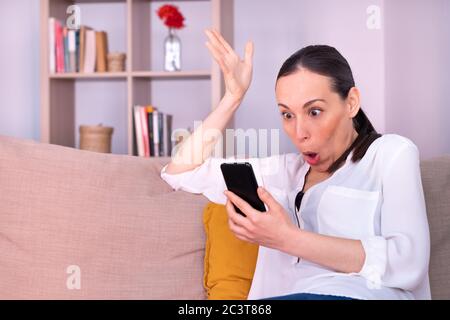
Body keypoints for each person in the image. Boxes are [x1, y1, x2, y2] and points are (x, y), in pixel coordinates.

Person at [160, 29, 431, 300]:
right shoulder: (283, 172)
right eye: (287, 114)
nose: (299, 131)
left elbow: (408, 262)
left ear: (351, 103)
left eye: (314, 111)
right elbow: (180, 171)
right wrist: (232, 99)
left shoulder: (391, 154)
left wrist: (287, 238)